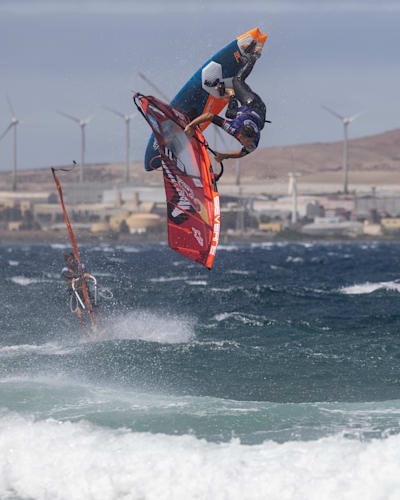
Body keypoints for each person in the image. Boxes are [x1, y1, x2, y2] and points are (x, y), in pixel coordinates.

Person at [184, 40, 268, 163]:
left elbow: (242, 153)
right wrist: (190, 126)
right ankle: (254, 54)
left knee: (229, 114)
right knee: (237, 80)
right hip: (253, 104)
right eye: (247, 142)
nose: (248, 145)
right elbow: (209, 116)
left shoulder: (252, 143)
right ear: (241, 136)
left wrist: (225, 155)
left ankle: (226, 89)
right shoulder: (233, 128)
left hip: (251, 115)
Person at [61, 252, 91, 325]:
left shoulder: (80, 266)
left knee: (93, 306)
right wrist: (75, 278)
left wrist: (86, 275)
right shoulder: (65, 271)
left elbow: (86, 273)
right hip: (75, 293)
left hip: (85, 291)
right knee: (79, 313)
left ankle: (97, 324)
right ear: (66, 262)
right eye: (70, 260)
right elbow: (71, 276)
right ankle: (85, 330)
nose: (72, 261)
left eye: (73, 259)